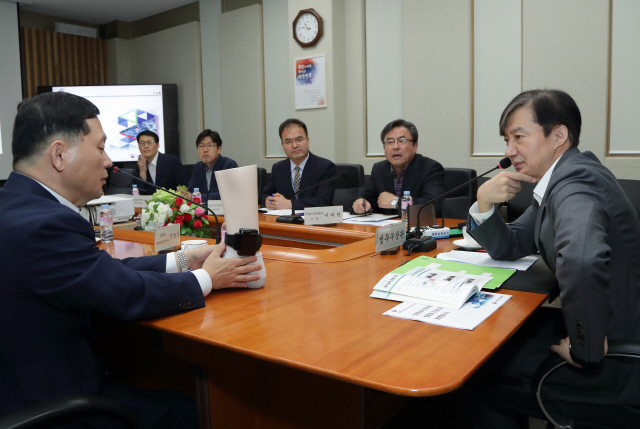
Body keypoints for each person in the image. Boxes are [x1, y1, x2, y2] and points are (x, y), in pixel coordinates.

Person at [0, 91, 262, 428]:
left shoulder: (15, 207)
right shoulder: (47, 224)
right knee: (184, 408)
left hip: (21, 383)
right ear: (59, 155)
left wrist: (183, 260)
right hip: (52, 401)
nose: (109, 161)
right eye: (100, 147)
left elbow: (97, 272)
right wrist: (210, 277)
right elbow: (126, 293)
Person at [461, 89, 640, 427]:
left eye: (518, 137)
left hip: (614, 358)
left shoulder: (575, 183)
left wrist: (584, 350)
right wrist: (484, 203)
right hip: (607, 325)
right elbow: (509, 246)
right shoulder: (559, 182)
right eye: (506, 139)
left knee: (473, 370)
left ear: (558, 135)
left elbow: (582, 261)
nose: (508, 151)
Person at [352, 119, 444, 215]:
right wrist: (358, 203)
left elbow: (434, 205)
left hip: (416, 227)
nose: (395, 147)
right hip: (386, 227)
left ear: (415, 146)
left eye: (402, 141)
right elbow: (361, 195)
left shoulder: (430, 168)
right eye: (390, 142)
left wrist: (396, 202)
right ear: (384, 148)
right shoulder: (379, 169)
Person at [260, 118, 336, 210]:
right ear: (282, 145)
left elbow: (323, 201)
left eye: (299, 140)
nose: (295, 145)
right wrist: (268, 200)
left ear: (307, 140)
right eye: (288, 142)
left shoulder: (325, 167)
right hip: (284, 221)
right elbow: (265, 194)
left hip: (314, 222)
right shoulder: (278, 168)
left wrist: (289, 204)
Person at [186, 129, 238, 203]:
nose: (205, 150)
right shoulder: (198, 166)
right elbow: (191, 190)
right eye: (201, 146)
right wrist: (185, 193)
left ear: (219, 149)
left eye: (210, 145)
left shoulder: (229, 165)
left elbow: (226, 195)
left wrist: (195, 197)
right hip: (203, 211)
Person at [134, 130, 189, 195]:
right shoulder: (139, 165)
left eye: (150, 142)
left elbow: (185, 185)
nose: (146, 146)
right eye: (142, 143)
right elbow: (140, 193)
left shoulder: (171, 161)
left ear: (157, 145)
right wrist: (143, 173)